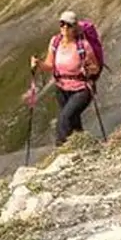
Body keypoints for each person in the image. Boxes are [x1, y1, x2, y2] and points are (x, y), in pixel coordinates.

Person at [30, 9, 101, 147]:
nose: (64, 27)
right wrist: (38, 64)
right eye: (62, 24)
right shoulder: (55, 42)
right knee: (73, 120)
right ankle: (84, 145)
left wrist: (87, 69)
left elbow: (95, 68)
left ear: (75, 27)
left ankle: (61, 148)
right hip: (61, 88)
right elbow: (50, 65)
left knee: (64, 118)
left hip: (81, 89)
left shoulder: (83, 46)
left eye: (68, 25)